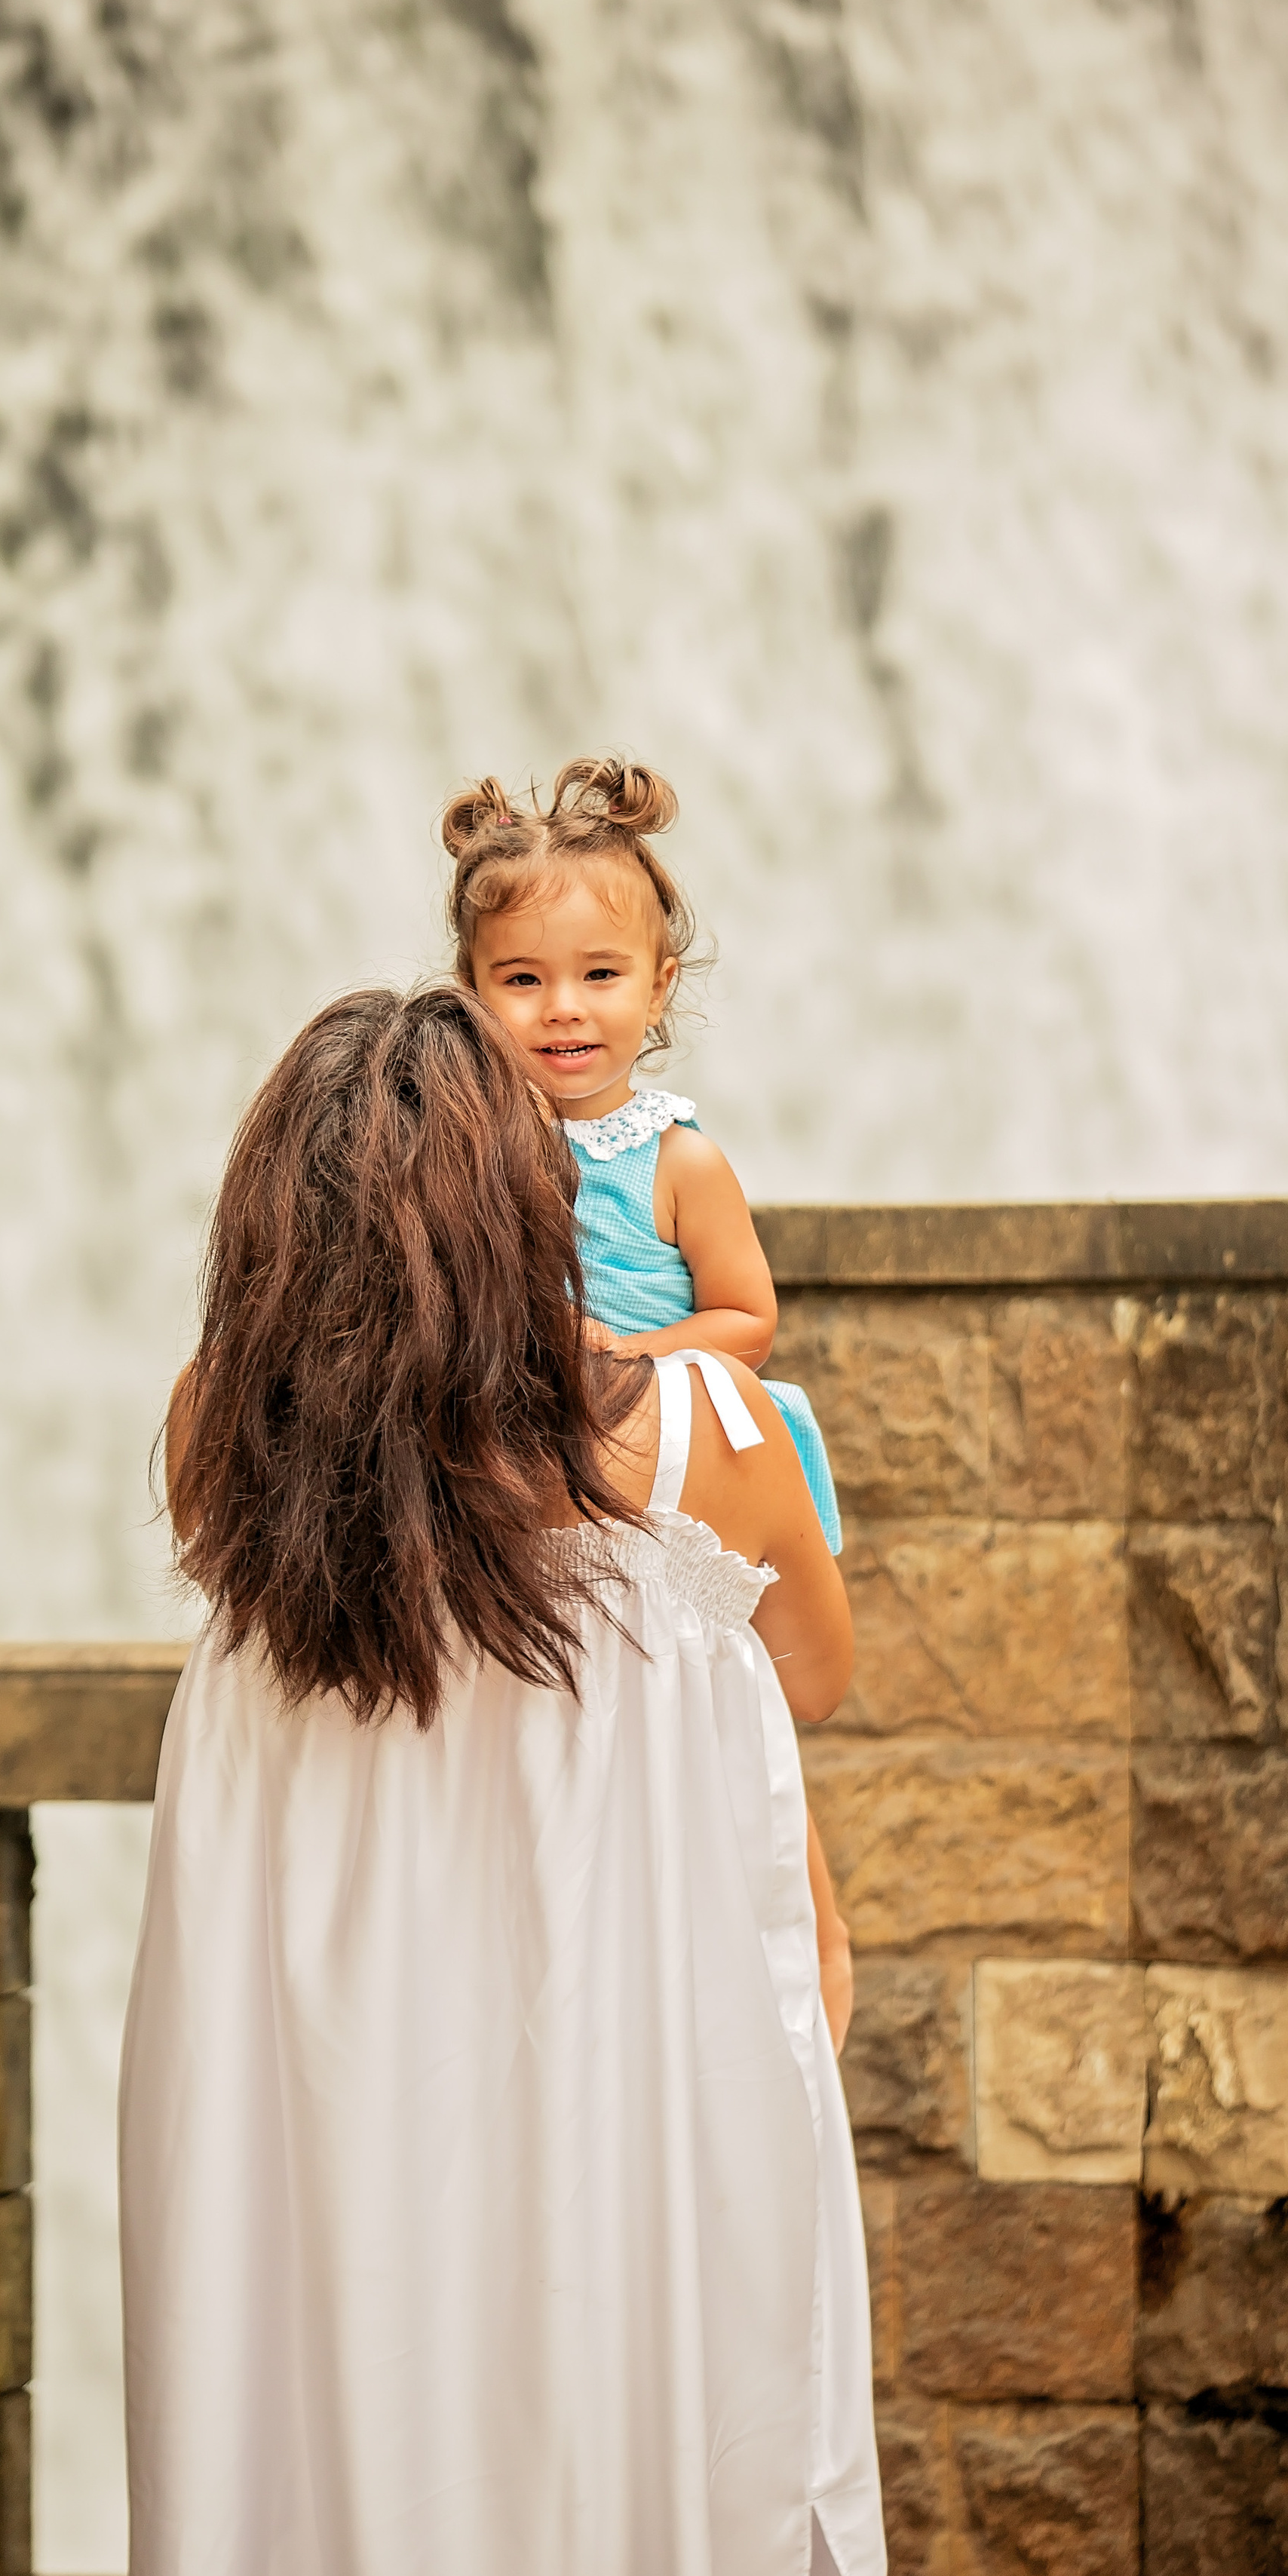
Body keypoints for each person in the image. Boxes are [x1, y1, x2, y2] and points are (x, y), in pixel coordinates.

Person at [119, 983, 887, 2576]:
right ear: (523, 1208)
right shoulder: (698, 1437)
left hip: (323, 2082)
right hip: (614, 2065)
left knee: (347, 2407)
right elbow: (812, 1674)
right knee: (617, 2411)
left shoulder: (213, 1441)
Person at [439, 756, 854, 2048]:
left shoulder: (679, 1160)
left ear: (660, 985)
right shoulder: (462, 1149)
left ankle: (804, 1916)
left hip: (672, 1460)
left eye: (600, 976)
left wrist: (635, 1350)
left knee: (722, 1689)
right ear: (471, 993)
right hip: (528, 1467)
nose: (564, 1010)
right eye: (523, 980)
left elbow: (748, 1319)